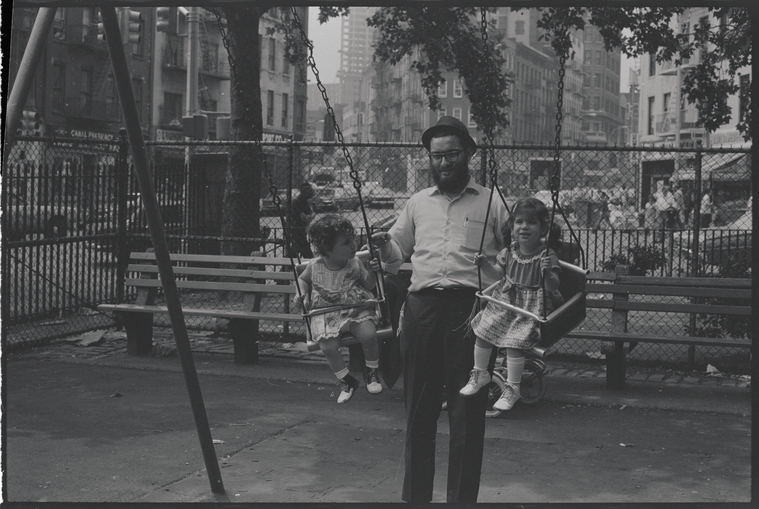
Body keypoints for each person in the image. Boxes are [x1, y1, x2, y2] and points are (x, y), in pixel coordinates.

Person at [370, 116, 508, 503]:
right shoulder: (417, 203)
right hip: (422, 309)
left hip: (471, 310)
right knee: (419, 406)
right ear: (429, 159)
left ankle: (461, 500)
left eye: (452, 154)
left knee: (467, 410)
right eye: (437, 156)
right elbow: (396, 258)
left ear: (467, 155)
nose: (444, 163)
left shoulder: (491, 200)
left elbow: (515, 251)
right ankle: (416, 497)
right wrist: (382, 244)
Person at [460, 198, 563, 411]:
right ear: (512, 228)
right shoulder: (509, 251)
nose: (524, 227)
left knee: (514, 342)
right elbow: (497, 275)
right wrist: (485, 265)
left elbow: (552, 287)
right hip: (507, 301)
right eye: (519, 222)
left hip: (532, 305)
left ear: (543, 228)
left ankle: (513, 388)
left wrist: (547, 273)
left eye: (531, 223)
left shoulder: (546, 254)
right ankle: (480, 373)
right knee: (483, 329)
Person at [293, 214, 383, 403]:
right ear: (327, 249)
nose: (353, 245)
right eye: (346, 243)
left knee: (369, 334)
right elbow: (302, 279)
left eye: (353, 240)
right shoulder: (315, 266)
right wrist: (302, 294)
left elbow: (368, 284)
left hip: (354, 309)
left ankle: (371, 371)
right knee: (328, 346)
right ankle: (346, 380)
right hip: (327, 313)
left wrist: (374, 271)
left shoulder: (356, 262)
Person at [289, 182, 315, 259]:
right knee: (306, 252)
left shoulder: (306, 202)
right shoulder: (297, 201)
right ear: (303, 192)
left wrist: (312, 209)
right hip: (297, 229)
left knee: (295, 251)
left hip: (302, 229)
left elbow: (309, 216)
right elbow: (305, 218)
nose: (311, 193)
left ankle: (288, 265)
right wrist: (313, 213)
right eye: (309, 191)